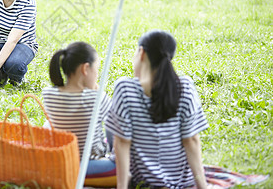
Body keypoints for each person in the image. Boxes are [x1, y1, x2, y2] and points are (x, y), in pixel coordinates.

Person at [105, 30, 208, 189]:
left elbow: (122, 143)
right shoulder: (185, 86)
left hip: (143, 182)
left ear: (141, 53)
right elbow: (191, 140)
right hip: (181, 182)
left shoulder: (125, 88)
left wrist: (122, 187)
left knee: (112, 128)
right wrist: (202, 186)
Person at [42, 41, 116, 186]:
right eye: (97, 70)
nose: (97, 75)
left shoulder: (49, 95)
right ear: (85, 68)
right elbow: (115, 119)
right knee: (125, 165)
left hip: (62, 161)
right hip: (89, 163)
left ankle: (69, 177)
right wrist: (98, 91)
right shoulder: (96, 97)